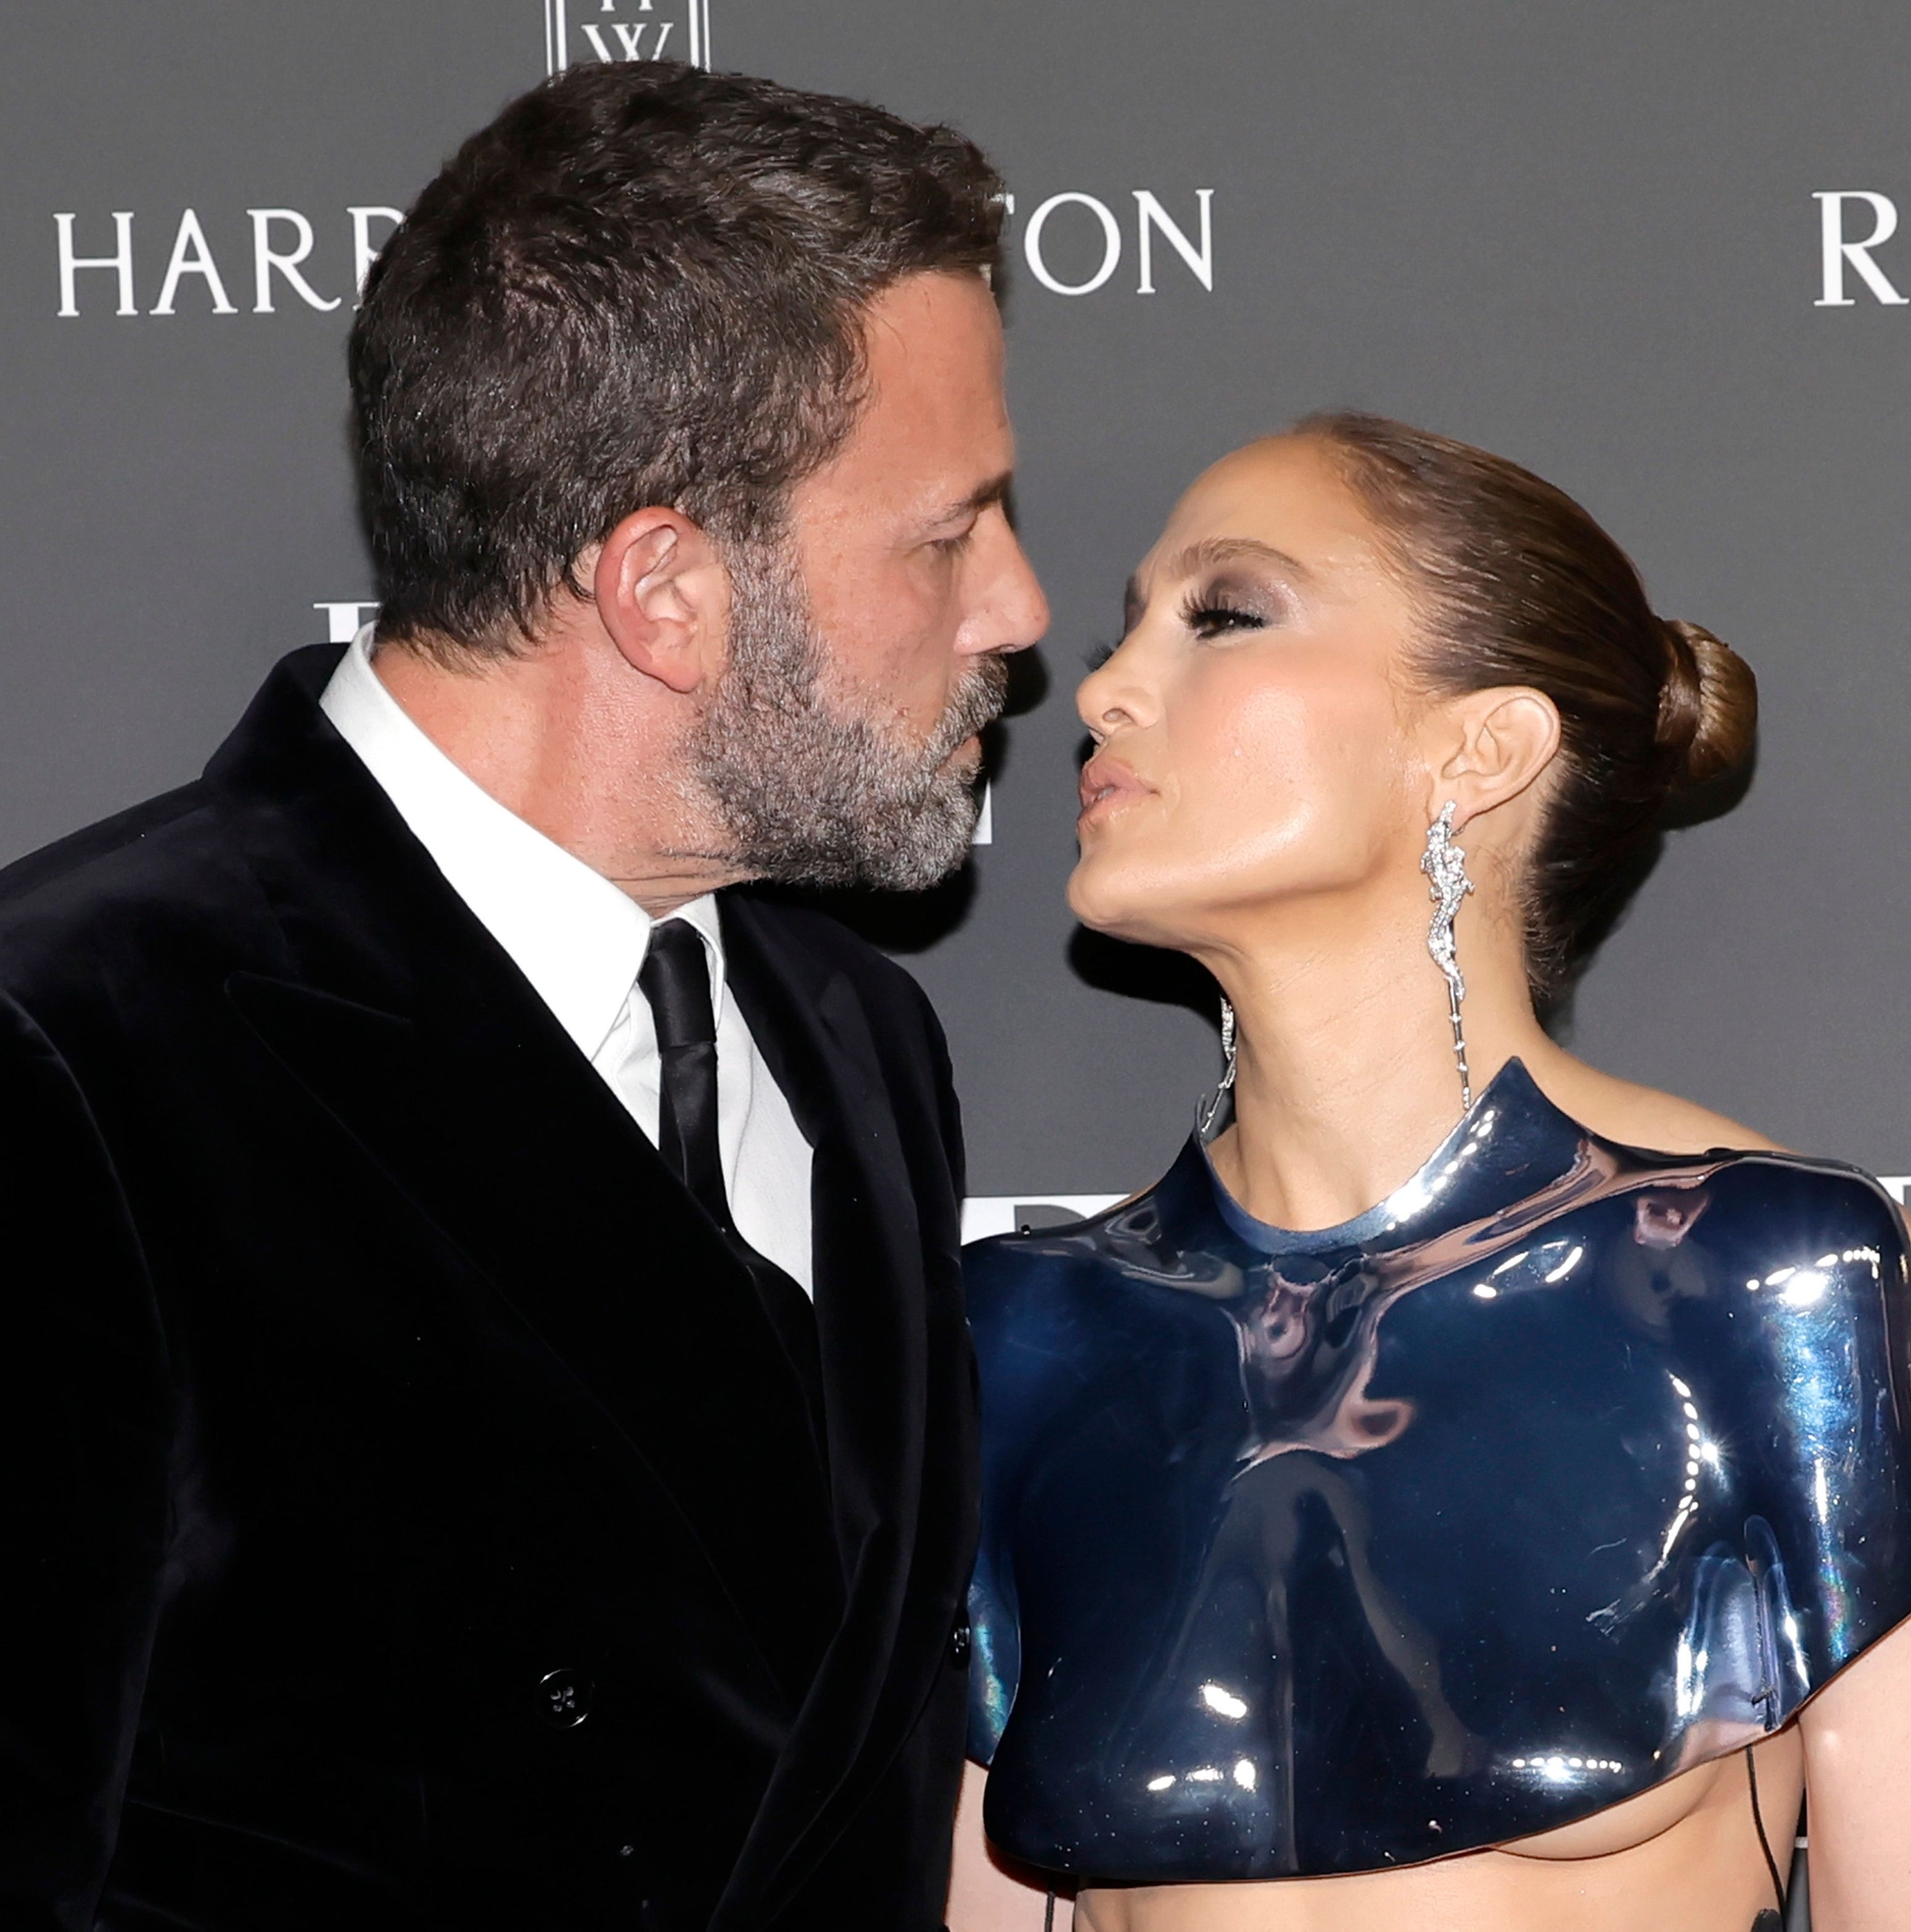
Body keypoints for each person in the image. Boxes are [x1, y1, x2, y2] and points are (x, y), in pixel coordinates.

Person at [0, 61, 1046, 1932]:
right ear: (666, 589)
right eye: (948, 531)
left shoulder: (857, 1040)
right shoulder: (73, 1043)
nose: (1019, 608)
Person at [948, 416, 1911, 1932]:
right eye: (1126, 626)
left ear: (1479, 748)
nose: (1108, 687)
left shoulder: (1769, 1279)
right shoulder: (1022, 1335)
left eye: (1223, 613)